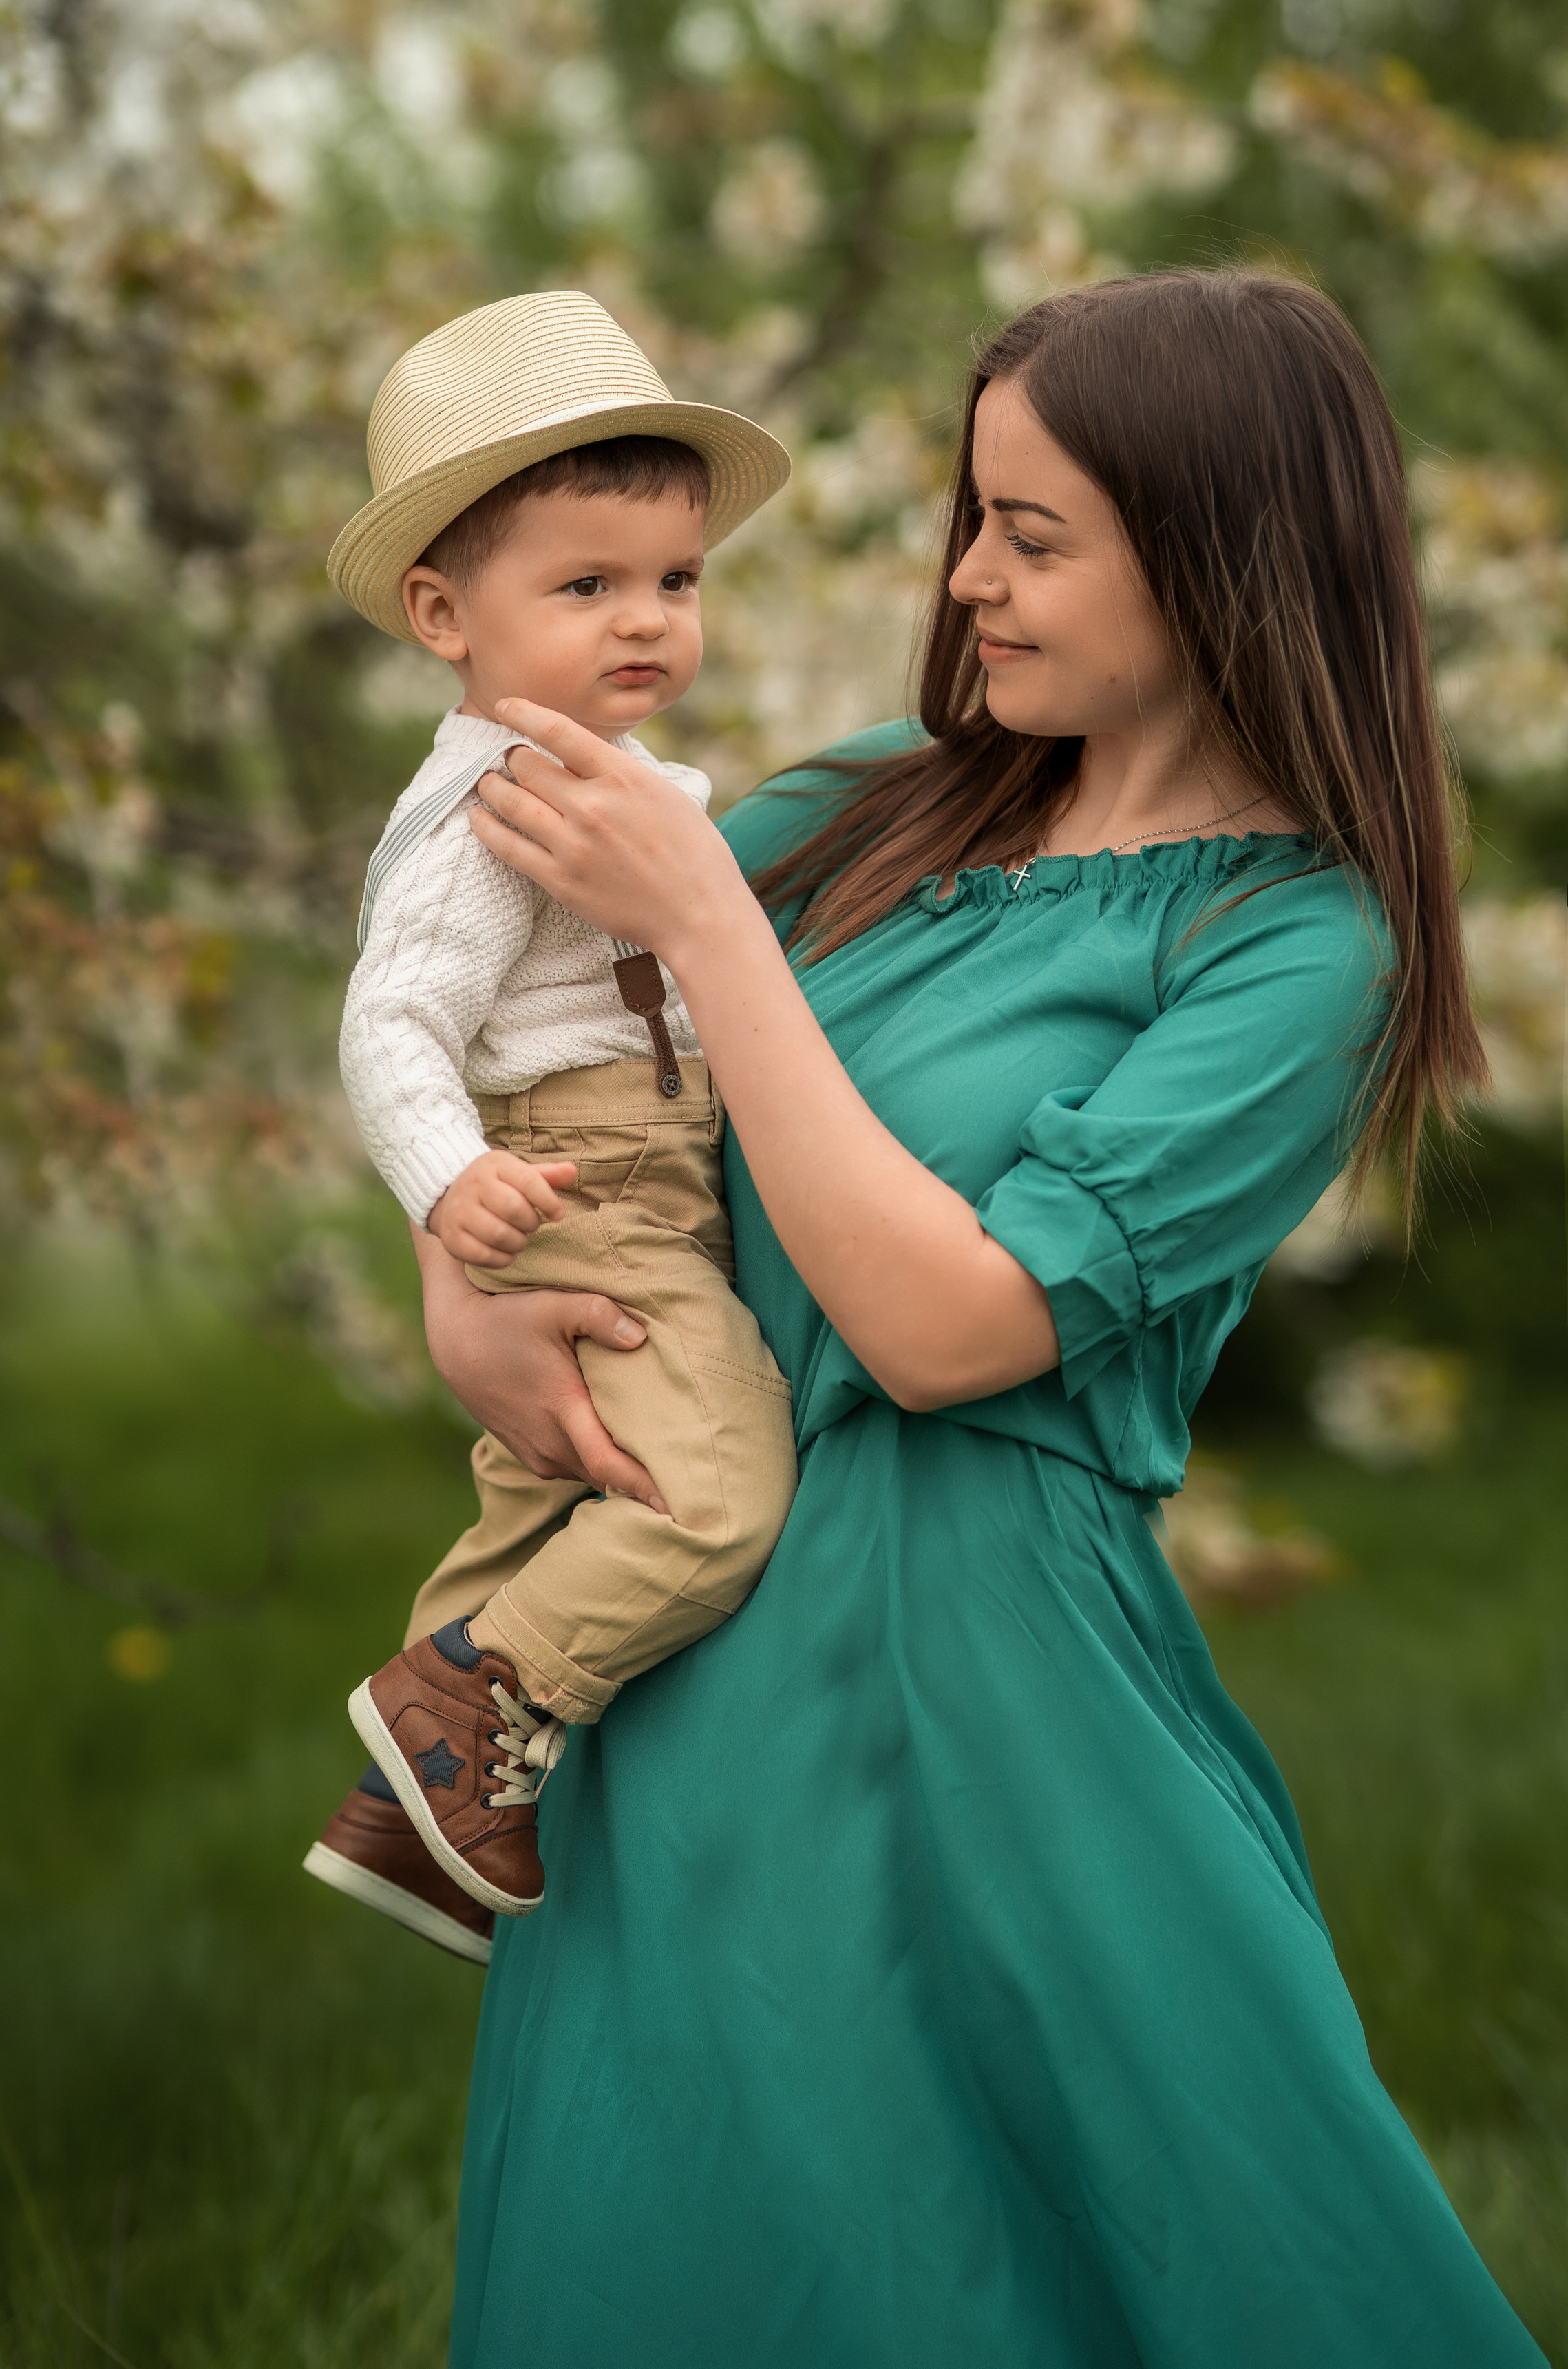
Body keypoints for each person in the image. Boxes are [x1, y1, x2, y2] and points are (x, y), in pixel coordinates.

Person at [419, 269, 1546, 2363]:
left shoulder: (1299, 948)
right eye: (973, 517)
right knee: (675, 2236)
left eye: (1035, 535)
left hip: (987, 1687)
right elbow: (518, 1010)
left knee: (1153, 2241)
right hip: (682, 1622)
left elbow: (948, 1328)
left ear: (1221, 550)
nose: (969, 580)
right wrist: (460, 1284)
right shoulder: (876, 798)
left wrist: (711, 938)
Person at [301, 290, 799, 1968]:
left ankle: (413, 1818)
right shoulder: (498, 796)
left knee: (544, 1498)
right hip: (580, 1184)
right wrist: (453, 1190)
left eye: (673, 580)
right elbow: (391, 1019)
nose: (643, 620)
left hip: (609, 1165)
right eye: (583, 585)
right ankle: (470, 1705)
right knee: (713, 1490)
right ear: (443, 612)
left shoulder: (599, 767)